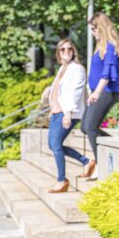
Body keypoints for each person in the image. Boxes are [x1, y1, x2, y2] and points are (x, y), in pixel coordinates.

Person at [78, 12, 119, 181]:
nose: (92, 32)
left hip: (106, 92)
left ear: (101, 27)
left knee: (90, 127)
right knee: (85, 127)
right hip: (98, 92)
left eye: (94, 29)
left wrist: (97, 92)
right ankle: (113, 147)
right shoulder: (101, 47)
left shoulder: (111, 46)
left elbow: (107, 73)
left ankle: (100, 165)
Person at [44, 38, 90, 194]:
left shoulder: (77, 69)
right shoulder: (63, 68)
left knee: (56, 145)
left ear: (74, 51)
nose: (66, 52)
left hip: (67, 112)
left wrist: (68, 114)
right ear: (58, 53)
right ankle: (87, 162)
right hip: (57, 111)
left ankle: (62, 180)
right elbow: (61, 86)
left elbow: (75, 92)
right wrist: (49, 89)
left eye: (69, 49)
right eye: (62, 50)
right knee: (53, 145)